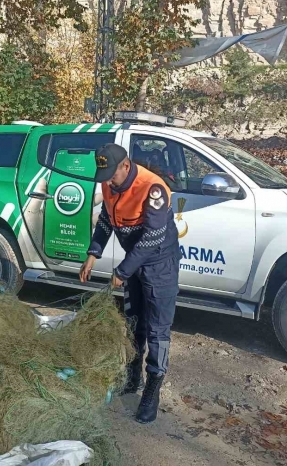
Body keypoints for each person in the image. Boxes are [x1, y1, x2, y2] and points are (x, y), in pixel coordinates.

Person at [80, 143, 180, 424]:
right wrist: (93, 253)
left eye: (112, 173)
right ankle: (133, 376)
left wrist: (122, 270)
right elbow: (106, 220)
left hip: (159, 265)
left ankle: (152, 388)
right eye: (105, 175)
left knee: (157, 329)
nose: (108, 181)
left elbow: (152, 238)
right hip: (134, 265)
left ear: (126, 165)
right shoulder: (110, 183)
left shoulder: (153, 188)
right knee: (133, 322)